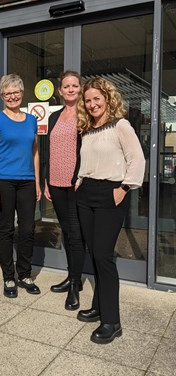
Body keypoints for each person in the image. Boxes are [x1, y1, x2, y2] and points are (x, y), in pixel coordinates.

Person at [75, 77, 145, 344]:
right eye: (88, 100)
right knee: (93, 252)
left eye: (97, 99)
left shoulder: (121, 125)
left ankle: (112, 321)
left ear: (107, 99)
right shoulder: (87, 129)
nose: (92, 104)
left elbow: (137, 159)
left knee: (104, 256)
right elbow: (87, 160)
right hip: (86, 193)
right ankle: (98, 306)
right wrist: (79, 181)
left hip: (111, 193)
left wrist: (124, 188)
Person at [0, 74, 42, 298]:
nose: (12, 96)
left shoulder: (31, 120)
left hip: (27, 181)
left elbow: (35, 153)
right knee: (5, 230)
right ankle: (8, 277)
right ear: (2, 96)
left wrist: (37, 182)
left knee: (28, 229)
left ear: (22, 93)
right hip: (4, 181)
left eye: (15, 92)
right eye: (7, 93)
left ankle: (24, 274)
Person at [44, 71, 85, 310]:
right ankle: (72, 277)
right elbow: (48, 150)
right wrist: (47, 180)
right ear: (59, 91)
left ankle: (75, 284)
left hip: (77, 184)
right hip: (56, 183)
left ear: (80, 89)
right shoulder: (54, 117)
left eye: (75, 86)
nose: (70, 89)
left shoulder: (85, 115)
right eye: (66, 86)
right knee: (66, 232)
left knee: (75, 232)